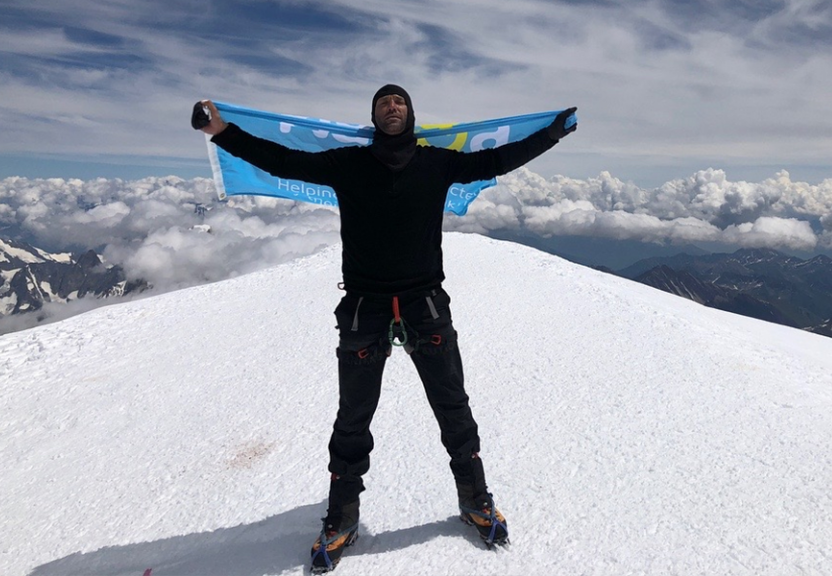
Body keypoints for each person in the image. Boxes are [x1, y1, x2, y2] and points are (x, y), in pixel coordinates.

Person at [195, 85, 576, 572]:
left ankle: (475, 498)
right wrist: (220, 131)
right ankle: (342, 518)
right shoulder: (347, 164)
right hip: (364, 306)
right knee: (353, 419)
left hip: (424, 302)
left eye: (398, 101)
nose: (391, 107)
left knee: (453, 407)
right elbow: (281, 160)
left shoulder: (438, 162)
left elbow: (499, 160)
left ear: (410, 113)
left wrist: (552, 134)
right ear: (374, 116)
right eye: (383, 103)